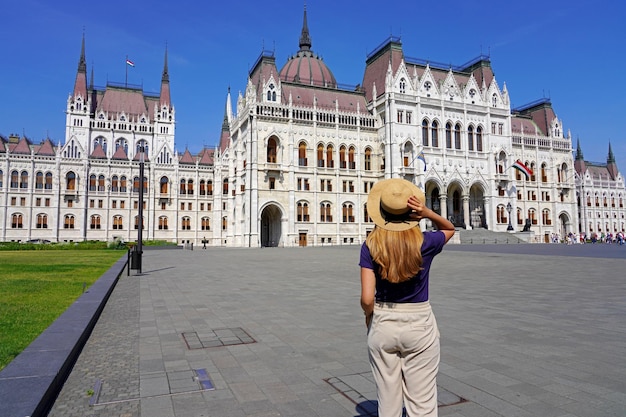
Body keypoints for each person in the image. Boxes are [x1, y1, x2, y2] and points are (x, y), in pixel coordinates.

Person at [359, 178, 455, 417]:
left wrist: (370, 317)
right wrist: (426, 213)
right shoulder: (426, 242)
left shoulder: (371, 245)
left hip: (383, 322)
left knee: (388, 403)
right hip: (419, 324)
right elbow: (449, 229)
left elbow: (367, 298)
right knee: (422, 403)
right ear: (411, 213)